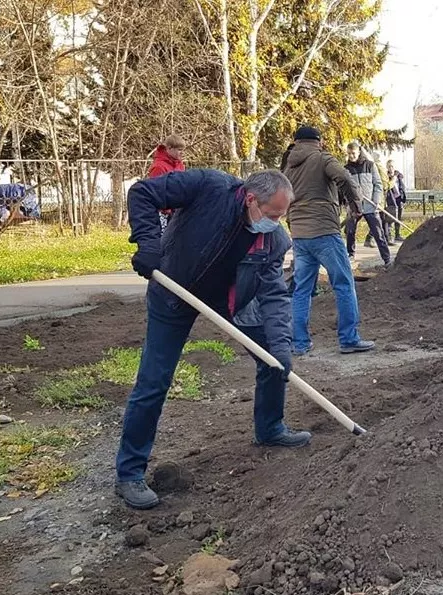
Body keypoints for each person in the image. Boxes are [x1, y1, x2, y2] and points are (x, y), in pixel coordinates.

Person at [116, 168, 308, 510]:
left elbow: (275, 295)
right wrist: (147, 242)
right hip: (174, 293)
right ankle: (129, 473)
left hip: (231, 299)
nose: (277, 223)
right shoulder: (208, 187)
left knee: (271, 359)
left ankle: (270, 427)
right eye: (273, 214)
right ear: (251, 199)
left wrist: (281, 345)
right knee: (154, 381)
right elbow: (142, 193)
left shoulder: (274, 239)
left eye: (282, 216)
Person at [283, 126, 375, 356]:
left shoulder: (288, 167)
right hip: (324, 231)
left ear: (296, 142)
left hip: (300, 236)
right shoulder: (322, 158)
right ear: (319, 141)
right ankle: (349, 338)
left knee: (302, 289)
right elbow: (344, 177)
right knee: (343, 284)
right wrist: (356, 205)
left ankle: (300, 343)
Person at [343, 142, 391, 264]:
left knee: (378, 233)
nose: (351, 156)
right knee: (350, 230)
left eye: (353, 153)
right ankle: (351, 254)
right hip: (355, 206)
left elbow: (378, 184)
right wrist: (349, 204)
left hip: (370, 205)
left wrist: (376, 200)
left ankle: (387, 259)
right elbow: (344, 188)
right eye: (349, 154)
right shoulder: (346, 169)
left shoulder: (370, 165)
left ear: (359, 151)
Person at [147, 134, 186, 230]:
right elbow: (156, 191)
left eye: (182, 150)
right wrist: (167, 210)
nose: (182, 153)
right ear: (169, 148)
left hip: (177, 211)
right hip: (163, 212)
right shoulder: (159, 167)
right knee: (163, 240)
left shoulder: (180, 165)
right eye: (179, 150)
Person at [384, 160, 408, 241]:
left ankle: (397, 234)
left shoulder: (398, 176)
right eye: (389, 166)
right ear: (387, 167)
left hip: (399, 198)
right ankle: (389, 236)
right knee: (391, 217)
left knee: (399, 217)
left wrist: (402, 196)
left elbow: (401, 186)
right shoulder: (386, 177)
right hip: (391, 199)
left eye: (392, 166)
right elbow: (388, 187)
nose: (391, 168)